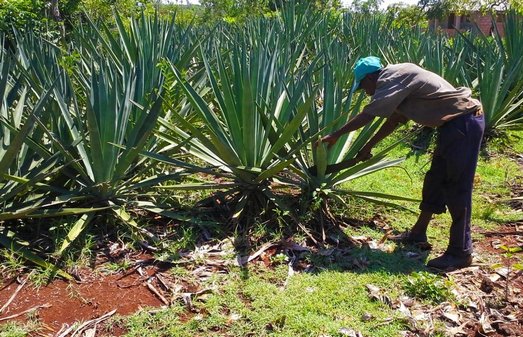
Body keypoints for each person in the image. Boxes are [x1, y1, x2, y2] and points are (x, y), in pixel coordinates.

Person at [320, 56, 485, 271]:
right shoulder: (397, 79)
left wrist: (335, 135)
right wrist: (368, 147)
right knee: (435, 180)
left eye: (363, 87)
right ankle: (418, 233)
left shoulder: (392, 78)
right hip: (453, 126)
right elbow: (395, 119)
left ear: (371, 78)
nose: (366, 92)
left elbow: (368, 114)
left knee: (457, 187)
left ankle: (460, 252)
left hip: (464, 123)